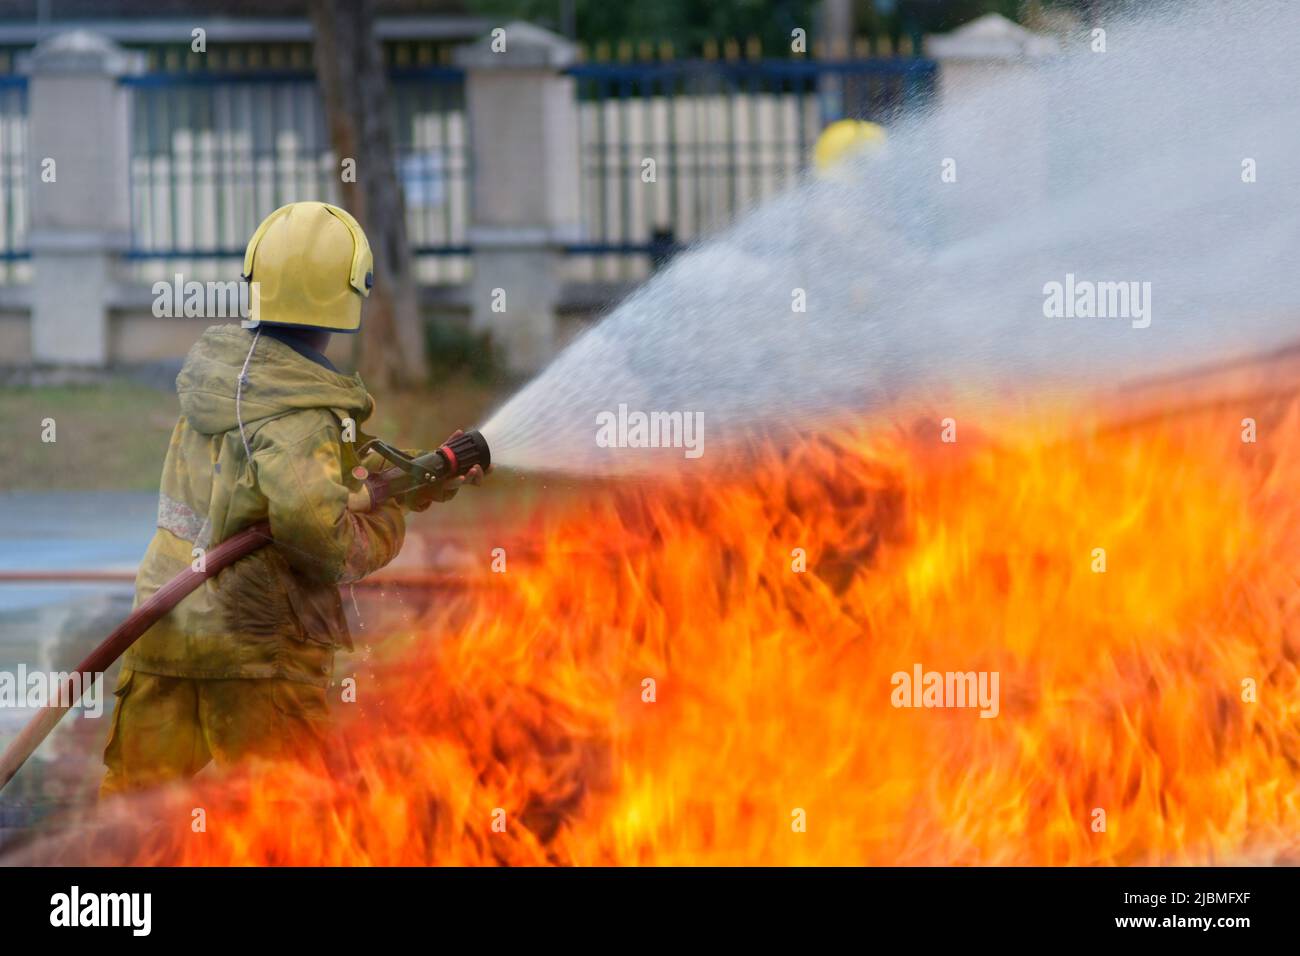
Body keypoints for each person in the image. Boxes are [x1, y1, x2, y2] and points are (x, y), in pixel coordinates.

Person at [101, 201, 482, 794]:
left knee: (129, 827)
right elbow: (322, 542)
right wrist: (389, 522)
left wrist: (396, 486)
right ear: (349, 292)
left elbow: (276, 488)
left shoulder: (220, 382)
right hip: (258, 652)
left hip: (164, 630)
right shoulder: (302, 416)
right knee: (287, 822)